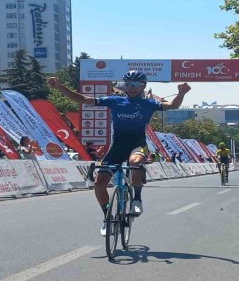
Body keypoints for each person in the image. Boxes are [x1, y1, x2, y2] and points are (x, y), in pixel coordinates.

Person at [48, 70, 190, 236]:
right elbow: (84, 100)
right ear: (124, 86)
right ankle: (107, 217)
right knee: (99, 183)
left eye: (136, 85)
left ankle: (136, 198)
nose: (132, 88)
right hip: (117, 147)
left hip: (138, 145)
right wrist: (60, 87)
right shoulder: (115, 101)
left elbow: (173, 105)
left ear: (143, 86)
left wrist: (181, 93)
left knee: (135, 164)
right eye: (128, 84)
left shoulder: (149, 103)